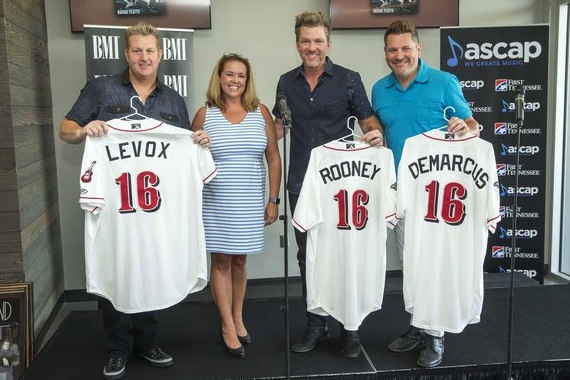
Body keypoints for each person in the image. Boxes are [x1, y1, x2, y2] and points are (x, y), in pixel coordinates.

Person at [59, 22, 211, 380]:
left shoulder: (173, 99)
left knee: (151, 269)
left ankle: (148, 343)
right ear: (126, 54)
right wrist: (84, 131)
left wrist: (198, 140)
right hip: (115, 209)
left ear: (161, 55)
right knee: (116, 269)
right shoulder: (101, 89)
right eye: (137, 51)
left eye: (150, 51)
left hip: (155, 211)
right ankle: (117, 349)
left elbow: (184, 146)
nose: (144, 57)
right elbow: (66, 130)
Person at [272, 11, 384, 358]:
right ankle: (316, 325)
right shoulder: (285, 82)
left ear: (328, 43)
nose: (312, 47)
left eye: (318, 40)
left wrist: (375, 135)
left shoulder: (349, 79)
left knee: (345, 256)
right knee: (309, 257)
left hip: (342, 187)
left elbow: (368, 122)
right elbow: (277, 128)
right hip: (299, 184)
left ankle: (350, 328)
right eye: (305, 41)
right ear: (297, 44)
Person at [371, 20, 480, 368]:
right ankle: (418, 326)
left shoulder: (445, 82)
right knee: (411, 265)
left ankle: (436, 337)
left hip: (437, 196)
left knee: (434, 265)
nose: (399, 55)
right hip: (401, 193)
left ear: (419, 48)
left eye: (405, 48)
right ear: (385, 53)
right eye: (392, 49)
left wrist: (466, 128)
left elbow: (473, 125)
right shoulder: (380, 89)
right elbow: (385, 136)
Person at [191, 53, 281, 359]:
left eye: (240, 75)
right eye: (229, 74)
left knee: (241, 261)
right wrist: (197, 143)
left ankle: (238, 315)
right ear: (219, 78)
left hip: (250, 201)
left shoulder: (261, 111)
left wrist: (273, 200)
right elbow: (190, 160)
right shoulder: (206, 114)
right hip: (216, 201)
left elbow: (273, 158)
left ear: (247, 80)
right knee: (221, 262)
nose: (234, 80)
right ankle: (227, 325)